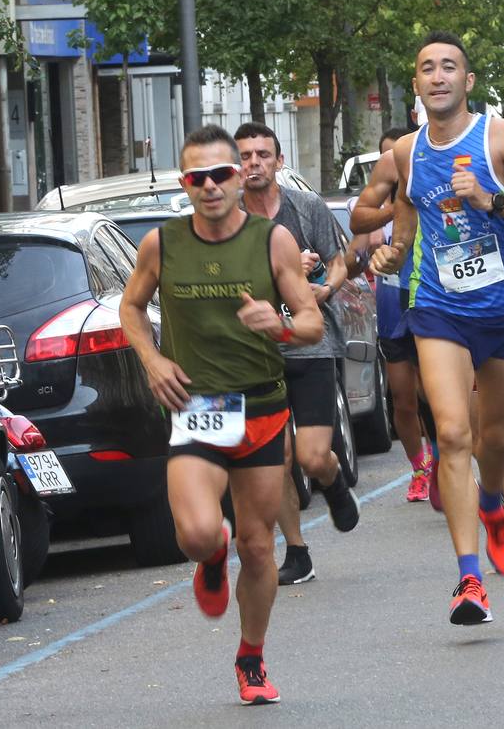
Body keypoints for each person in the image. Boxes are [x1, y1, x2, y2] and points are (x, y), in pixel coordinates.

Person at [119, 125, 325, 705]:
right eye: (196, 178)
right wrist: (154, 361)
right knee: (200, 532)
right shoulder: (162, 243)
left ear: (239, 177)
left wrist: (278, 323)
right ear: (184, 184)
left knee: (258, 547)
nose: (209, 187)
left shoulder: (273, 241)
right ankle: (211, 558)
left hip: (261, 405)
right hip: (198, 408)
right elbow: (130, 307)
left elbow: (311, 323)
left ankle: (251, 659)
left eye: (220, 175)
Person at [370, 31, 504, 625]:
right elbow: (405, 232)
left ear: (468, 80)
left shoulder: (499, 137)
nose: (438, 76)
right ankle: (469, 579)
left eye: (449, 67)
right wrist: (387, 256)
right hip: (437, 308)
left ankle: (491, 506)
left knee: (499, 440)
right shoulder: (406, 152)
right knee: (452, 433)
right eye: (427, 67)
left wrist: (491, 200)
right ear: (415, 83)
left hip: (503, 309)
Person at [234, 122, 361, 591]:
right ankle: (298, 550)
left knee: (310, 456)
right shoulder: (230, 220)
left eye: (262, 155)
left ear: (279, 161)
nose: (254, 164)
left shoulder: (305, 207)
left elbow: (341, 258)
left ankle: (332, 481)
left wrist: (322, 287)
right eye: (245, 156)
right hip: (256, 353)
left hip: (310, 343)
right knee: (275, 457)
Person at [349, 130, 440, 507]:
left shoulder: (436, 186)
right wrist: (398, 206)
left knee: (434, 393)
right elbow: (357, 224)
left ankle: (443, 462)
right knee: (402, 397)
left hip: (433, 293)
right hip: (393, 299)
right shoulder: (383, 204)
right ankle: (420, 466)